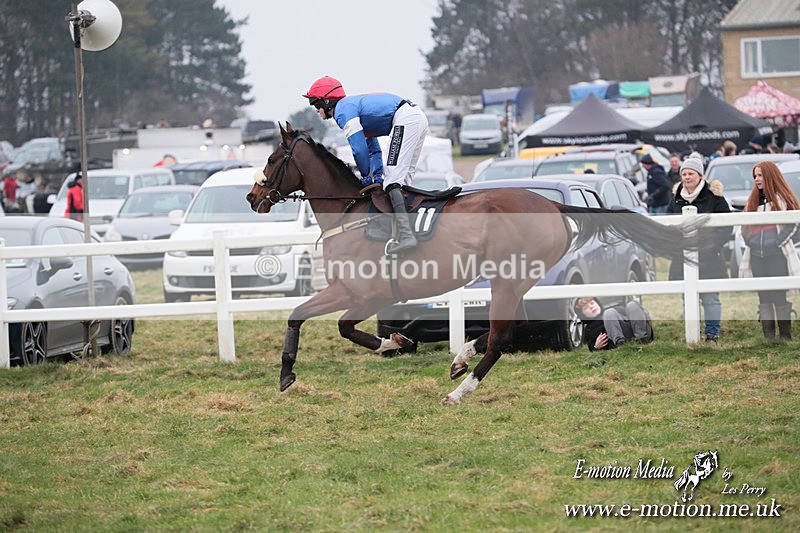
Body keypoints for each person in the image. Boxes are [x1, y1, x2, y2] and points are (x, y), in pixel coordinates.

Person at [303, 75, 429, 255]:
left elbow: (359, 150)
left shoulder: (343, 111)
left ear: (326, 101)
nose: (316, 110)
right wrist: (376, 175)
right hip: (414, 118)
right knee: (402, 182)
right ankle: (409, 230)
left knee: (393, 181)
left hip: (405, 120)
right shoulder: (351, 108)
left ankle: (407, 235)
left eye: (316, 104)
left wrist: (365, 176)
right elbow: (373, 150)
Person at [667, 156, 731, 343]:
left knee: (711, 297)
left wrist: (713, 246)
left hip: (709, 256)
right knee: (688, 298)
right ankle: (692, 336)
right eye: (684, 174)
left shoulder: (714, 197)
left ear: (700, 175)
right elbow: (669, 225)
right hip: (683, 256)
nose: (687, 177)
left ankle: (712, 336)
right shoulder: (676, 199)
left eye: (691, 173)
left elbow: (726, 225)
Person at [739, 160, 800, 341]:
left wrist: (777, 242)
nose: (757, 179)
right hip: (756, 254)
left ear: (770, 176)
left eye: (760, 175)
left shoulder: (784, 199)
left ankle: (785, 336)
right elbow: (744, 227)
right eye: (755, 176)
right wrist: (750, 241)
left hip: (777, 254)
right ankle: (768, 337)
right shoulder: (753, 202)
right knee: (763, 295)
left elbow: (794, 226)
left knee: (778, 294)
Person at [574, 297, 654, 351]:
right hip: (622, 338)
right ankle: (620, 344)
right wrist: (596, 346)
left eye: (592, 303)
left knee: (632, 305)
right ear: (582, 315)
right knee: (608, 313)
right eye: (586, 308)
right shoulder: (590, 328)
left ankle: (643, 339)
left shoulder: (616, 309)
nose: (591, 307)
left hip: (638, 330)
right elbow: (591, 344)